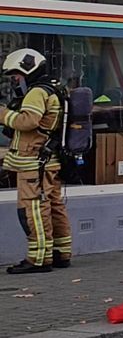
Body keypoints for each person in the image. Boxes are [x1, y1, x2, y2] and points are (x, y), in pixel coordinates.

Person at [3, 49, 72, 273]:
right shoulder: (55, 88)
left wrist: (3, 114)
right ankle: (62, 253)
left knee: (33, 209)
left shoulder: (36, 93)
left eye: (16, 76)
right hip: (48, 160)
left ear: (27, 70)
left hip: (33, 163)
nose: (15, 82)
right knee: (54, 206)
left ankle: (39, 259)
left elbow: (28, 121)